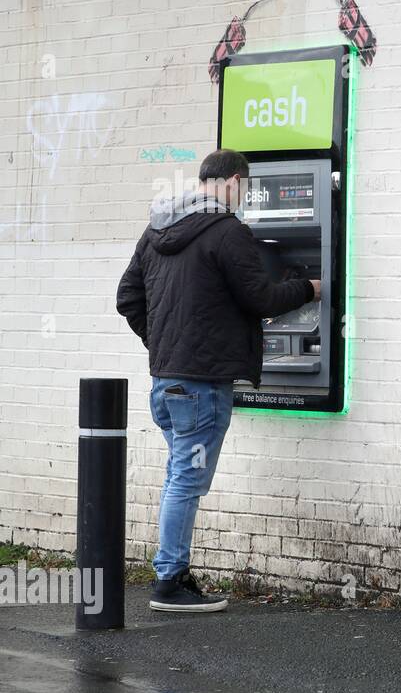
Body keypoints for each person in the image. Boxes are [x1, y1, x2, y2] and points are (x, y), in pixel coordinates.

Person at [116, 149, 320, 612]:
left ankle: (173, 575)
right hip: (202, 385)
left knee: (178, 476)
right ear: (232, 182)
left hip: (166, 382)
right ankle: (169, 582)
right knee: (187, 481)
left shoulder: (157, 230)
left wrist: (164, 345)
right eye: (245, 189)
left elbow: (127, 297)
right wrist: (310, 288)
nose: (244, 198)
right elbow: (260, 297)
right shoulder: (227, 232)